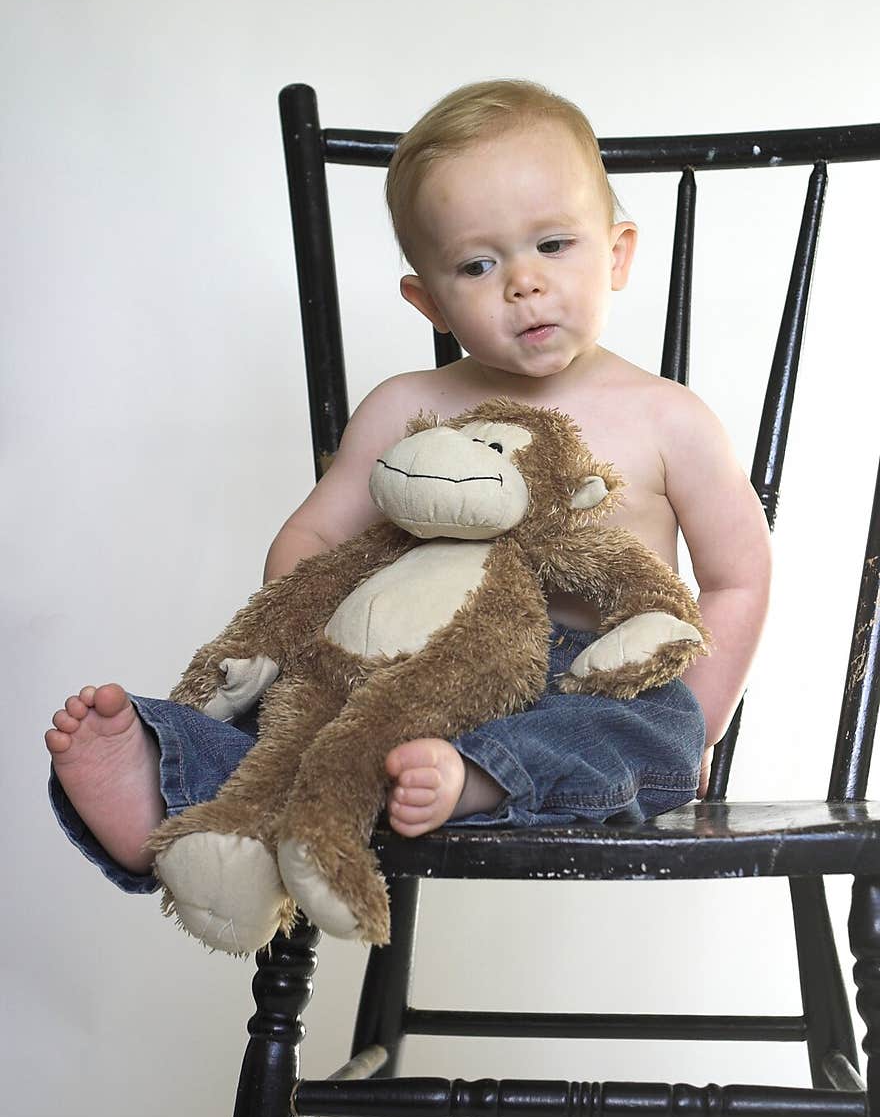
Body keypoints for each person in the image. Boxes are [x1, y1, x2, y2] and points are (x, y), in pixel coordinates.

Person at [46, 79, 772, 896]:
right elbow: (314, 537)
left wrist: (696, 721)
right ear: (429, 299)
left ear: (617, 253)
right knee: (297, 722)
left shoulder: (669, 418)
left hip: (582, 683)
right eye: (477, 263)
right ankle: (166, 773)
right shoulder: (406, 407)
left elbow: (737, 576)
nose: (523, 283)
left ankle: (477, 777)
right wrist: (314, 647)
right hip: (411, 675)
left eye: (554, 245)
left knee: (641, 727)